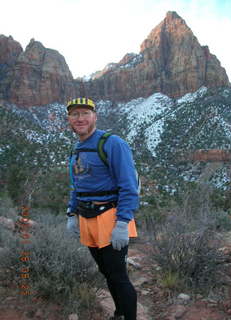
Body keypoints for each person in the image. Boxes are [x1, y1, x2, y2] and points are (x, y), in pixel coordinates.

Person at [66, 97, 139, 320]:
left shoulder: (112, 143)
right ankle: (119, 314)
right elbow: (76, 184)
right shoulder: (76, 148)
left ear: (95, 116)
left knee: (118, 276)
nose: (80, 118)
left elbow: (129, 186)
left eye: (85, 113)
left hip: (110, 216)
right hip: (87, 217)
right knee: (106, 271)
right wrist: (72, 212)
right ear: (69, 119)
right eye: (75, 114)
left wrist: (122, 222)